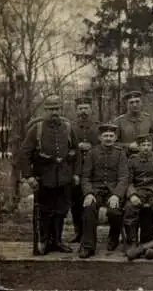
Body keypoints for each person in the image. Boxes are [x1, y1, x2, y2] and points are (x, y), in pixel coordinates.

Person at [21, 95, 79, 255]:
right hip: (44, 178)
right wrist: (29, 176)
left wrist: (76, 173)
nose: (54, 112)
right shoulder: (37, 129)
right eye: (50, 108)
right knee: (45, 211)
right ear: (45, 109)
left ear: (61, 109)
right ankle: (44, 241)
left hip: (64, 177)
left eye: (57, 108)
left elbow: (76, 151)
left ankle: (58, 241)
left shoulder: (67, 127)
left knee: (61, 210)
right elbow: (24, 154)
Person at [79, 123, 129, 258]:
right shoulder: (92, 153)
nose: (108, 138)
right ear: (100, 137)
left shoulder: (120, 154)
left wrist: (117, 195)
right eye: (105, 136)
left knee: (115, 211)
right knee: (89, 208)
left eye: (111, 136)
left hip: (113, 191)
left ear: (115, 137)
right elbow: (85, 177)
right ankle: (88, 246)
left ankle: (113, 237)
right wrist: (88, 193)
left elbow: (124, 177)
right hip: (96, 191)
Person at [124, 134, 153, 250]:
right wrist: (132, 195)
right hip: (138, 190)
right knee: (130, 208)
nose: (146, 147)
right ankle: (132, 242)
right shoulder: (132, 160)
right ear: (138, 147)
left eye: (148, 145)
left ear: (152, 146)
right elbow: (128, 181)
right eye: (143, 145)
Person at [69, 96, 100, 243]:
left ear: (91, 109)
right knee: (76, 202)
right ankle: (78, 231)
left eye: (86, 108)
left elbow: (105, 146)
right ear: (76, 111)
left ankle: (90, 232)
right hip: (77, 170)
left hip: (95, 171)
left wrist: (92, 147)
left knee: (91, 202)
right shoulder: (71, 128)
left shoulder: (98, 127)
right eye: (80, 108)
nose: (83, 111)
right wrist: (77, 148)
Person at [112, 90, 153, 157]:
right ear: (126, 104)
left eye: (137, 102)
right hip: (126, 158)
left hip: (146, 159)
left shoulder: (148, 119)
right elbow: (112, 143)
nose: (135, 105)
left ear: (141, 103)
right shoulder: (119, 122)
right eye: (131, 102)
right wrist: (128, 146)